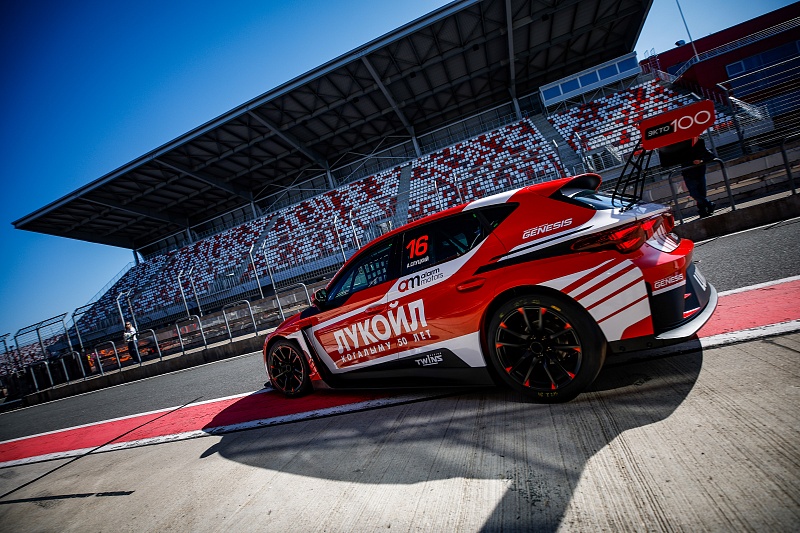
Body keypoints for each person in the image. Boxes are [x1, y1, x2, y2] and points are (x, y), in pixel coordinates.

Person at [680, 137, 716, 218]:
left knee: (701, 194)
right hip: (689, 174)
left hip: (699, 173)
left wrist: (701, 161)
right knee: (695, 194)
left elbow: (711, 156)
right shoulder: (682, 148)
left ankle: (703, 211)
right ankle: (709, 205)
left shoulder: (700, 147)